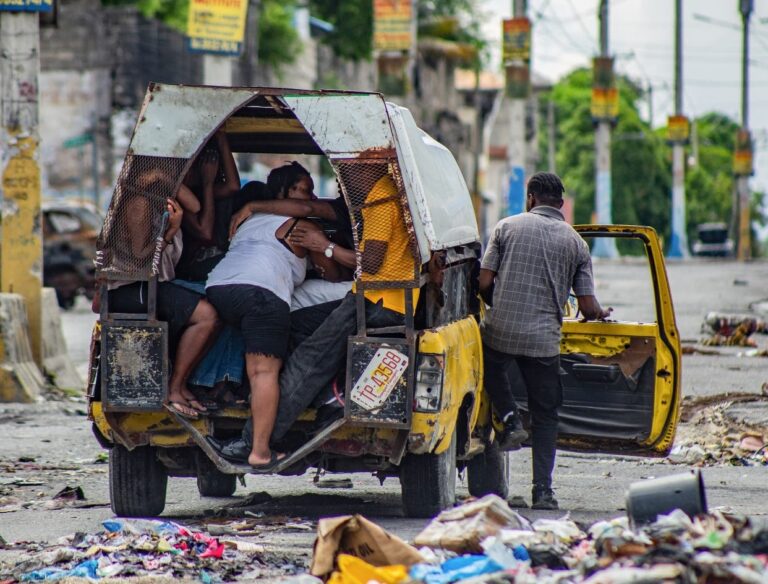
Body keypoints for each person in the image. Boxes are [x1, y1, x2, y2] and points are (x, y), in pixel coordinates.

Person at [211, 163, 419, 462]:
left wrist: (326, 247)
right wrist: (253, 205)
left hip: (378, 301)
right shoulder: (373, 197)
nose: (339, 179)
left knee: (310, 361)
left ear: (367, 169)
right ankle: (290, 404)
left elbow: (370, 264)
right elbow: (309, 207)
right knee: (293, 325)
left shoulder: (380, 200)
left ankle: (256, 441)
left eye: (346, 171)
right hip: (376, 298)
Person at [478, 171, 611, 511]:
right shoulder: (576, 243)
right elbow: (586, 305)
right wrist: (600, 313)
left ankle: (508, 418)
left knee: (489, 360)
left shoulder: (506, 227)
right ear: (561, 204)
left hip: (501, 331)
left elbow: (483, 282)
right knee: (545, 414)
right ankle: (543, 492)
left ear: (531, 198)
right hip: (543, 342)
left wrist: (501, 301)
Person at [204, 172, 340, 470]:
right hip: (261, 294)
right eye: (305, 191)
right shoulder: (301, 225)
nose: (312, 198)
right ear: (284, 193)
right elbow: (332, 275)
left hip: (218, 287)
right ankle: (260, 452)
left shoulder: (247, 220)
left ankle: (223, 392)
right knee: (264, 373)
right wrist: (321, 248)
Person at [102, 165, 221, 419]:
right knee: (206, 316)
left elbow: (196, 206)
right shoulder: (139, 204)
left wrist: (166, 176)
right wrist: (171, 232)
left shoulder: (160, 199)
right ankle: (173, 389)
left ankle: (181, 384)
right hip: (131, 289)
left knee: (214, 309)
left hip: (150, 286)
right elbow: (140, 259)